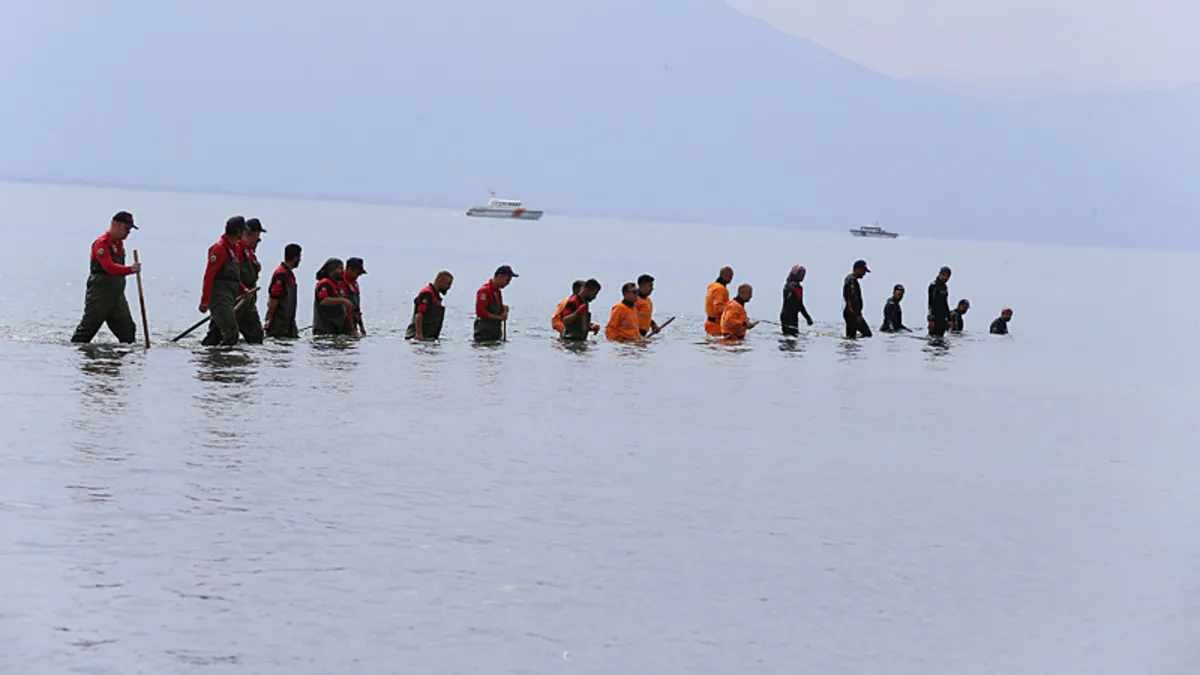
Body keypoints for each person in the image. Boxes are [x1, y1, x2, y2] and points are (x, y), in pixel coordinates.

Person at [70, 211, 142, 344]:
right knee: (87, 329)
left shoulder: (119, 245)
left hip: (117, 294)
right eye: (127, 228)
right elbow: (109, 267)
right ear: (116, 225)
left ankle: (124, 361)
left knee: (128, 330)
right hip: (100, 294)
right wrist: (130, 269)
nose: (128, 232)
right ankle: (77, 355)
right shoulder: (102, 244)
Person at [207, 216, 265, 345]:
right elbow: (222, 274)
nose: (257, 241)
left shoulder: (248, 251)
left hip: (247, 298)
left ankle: (238, 360)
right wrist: (205, 301)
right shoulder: (236, 248)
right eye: (258, 237)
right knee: (218, 333)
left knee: (255, 335)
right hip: (233, 298)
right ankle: (213, 357)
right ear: (254, 233)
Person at [199, 216, 250, 347]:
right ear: (238, 232)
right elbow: (209, 276)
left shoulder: (234, 249)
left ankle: (214, 358)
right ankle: (224, 363)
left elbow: (231, 277)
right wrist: (205, 301)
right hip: (219, 298)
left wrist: (243, 289)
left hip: (229, 297)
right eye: (243, 231)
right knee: (232, 332)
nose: (244, 234)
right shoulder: (219, 250)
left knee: (217, 334)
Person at [264, 243, 302, 339]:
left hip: (288, 323)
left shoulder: (290, 274)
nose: (300, 260)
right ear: (295, 258)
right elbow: (274, 298)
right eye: (299, 257)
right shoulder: (281, 274)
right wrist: (270, 319)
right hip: (279, 323)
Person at [406, 271, 454, 341]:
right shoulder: (427, 293)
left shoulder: (436, 296)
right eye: (448, 283)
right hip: (420, 337)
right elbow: (419, 314)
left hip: (429, 337)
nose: (449, 287)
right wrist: (419, 334)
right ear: (440, 280)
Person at [312, 257, 355, 336]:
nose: (343, 271)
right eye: (340, 269)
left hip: (335, 330)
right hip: (324, 331)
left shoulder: (336, 285)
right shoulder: (325, 283)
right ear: (331, 270)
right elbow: (324, 301)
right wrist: (343, 301)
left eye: (343, 268)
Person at [474, 265, 516, 342]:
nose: (508, 283)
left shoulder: (497, 292)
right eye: (507, 280)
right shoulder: (484, 291)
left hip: (495, 332)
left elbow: (494, 307)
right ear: (499, 276)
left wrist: (504, 309)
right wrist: (499, 318)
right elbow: (480, 312)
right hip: (484, 332)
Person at [779, 264, 813, 336]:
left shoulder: (787, 285)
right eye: (801, 274)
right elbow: (799, 305)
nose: (803, 276)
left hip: (784, 315)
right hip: (791, 317)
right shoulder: (797, 287)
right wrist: (808, 318)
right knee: (792, 337)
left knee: (786, 336)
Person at [842, 260, 871, 338]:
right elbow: (852, 299)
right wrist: (857, 315)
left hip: (850, 312)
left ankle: (850, 348)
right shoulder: (852, 281)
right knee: (867, 334)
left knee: (851, 337)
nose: (864, 273)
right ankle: (852, 348)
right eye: (863, 271)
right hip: (852, 313)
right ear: (857, 269)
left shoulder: (850, 279)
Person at [704, 266, 734, 336]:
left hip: (710, 323)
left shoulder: (713, 286)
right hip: (716, 325)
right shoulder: (720, 289)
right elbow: (718, 308)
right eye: (731, 276)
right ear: (728, 277)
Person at [343, 257, 367, 336]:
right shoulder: (340, 282)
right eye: (358, 272)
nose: (359, 275)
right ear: (350, 269)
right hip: (343, 326)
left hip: (353, 326)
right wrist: (352, 329)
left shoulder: (355, 284)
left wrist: (362, 327)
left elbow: (357, 309)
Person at [927, 266, 952, 337]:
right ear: (939, 274)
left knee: (941, 339)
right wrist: (931, 319)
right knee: (933, 338)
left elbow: (945, 303)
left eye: (947, 276)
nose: (945, 278)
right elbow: (931, 303)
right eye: (943, 275)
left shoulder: (944, 287)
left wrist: (949, 319)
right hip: (934, 318)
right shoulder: (933, 286)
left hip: (943, 318)